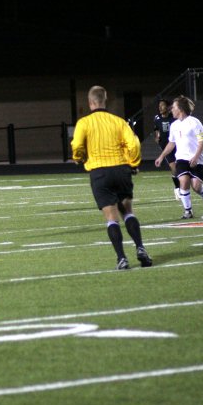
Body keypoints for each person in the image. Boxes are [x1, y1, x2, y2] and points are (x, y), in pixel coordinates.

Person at [71, 85, 151, 270]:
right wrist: (133, 163)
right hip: (121, 169)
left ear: (90, 102)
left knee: (111, 218)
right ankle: (140, 248)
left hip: (100, 172)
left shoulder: (84, 122)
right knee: (128, 212)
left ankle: (122, 258)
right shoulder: (118, 121)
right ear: (105, 100)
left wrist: (79, 157)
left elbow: (77, 145)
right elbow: (134, 143)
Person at [154, 95, 203, 219]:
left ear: (180, 108)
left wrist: (196, 157)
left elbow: (202, 141)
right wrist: (161, 156)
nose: (171, 110)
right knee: (184, 182)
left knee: (196, 186)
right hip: (181, 159)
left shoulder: (195, 122)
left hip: (196, 160)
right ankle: (188, 211)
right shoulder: (174, 125)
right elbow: (171, 143)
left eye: (174, 107)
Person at [153, 98, 181, 201]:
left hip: (177, 145)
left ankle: (182, 187)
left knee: (180, 167)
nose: (160, 107)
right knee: (173, 167)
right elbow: (156, 128)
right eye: (159, 105)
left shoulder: (173, 118)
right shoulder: (157, 118)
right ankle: (177, 188)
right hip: (166, 146)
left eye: (163, 105)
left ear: (168, 107)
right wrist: (157, 137)